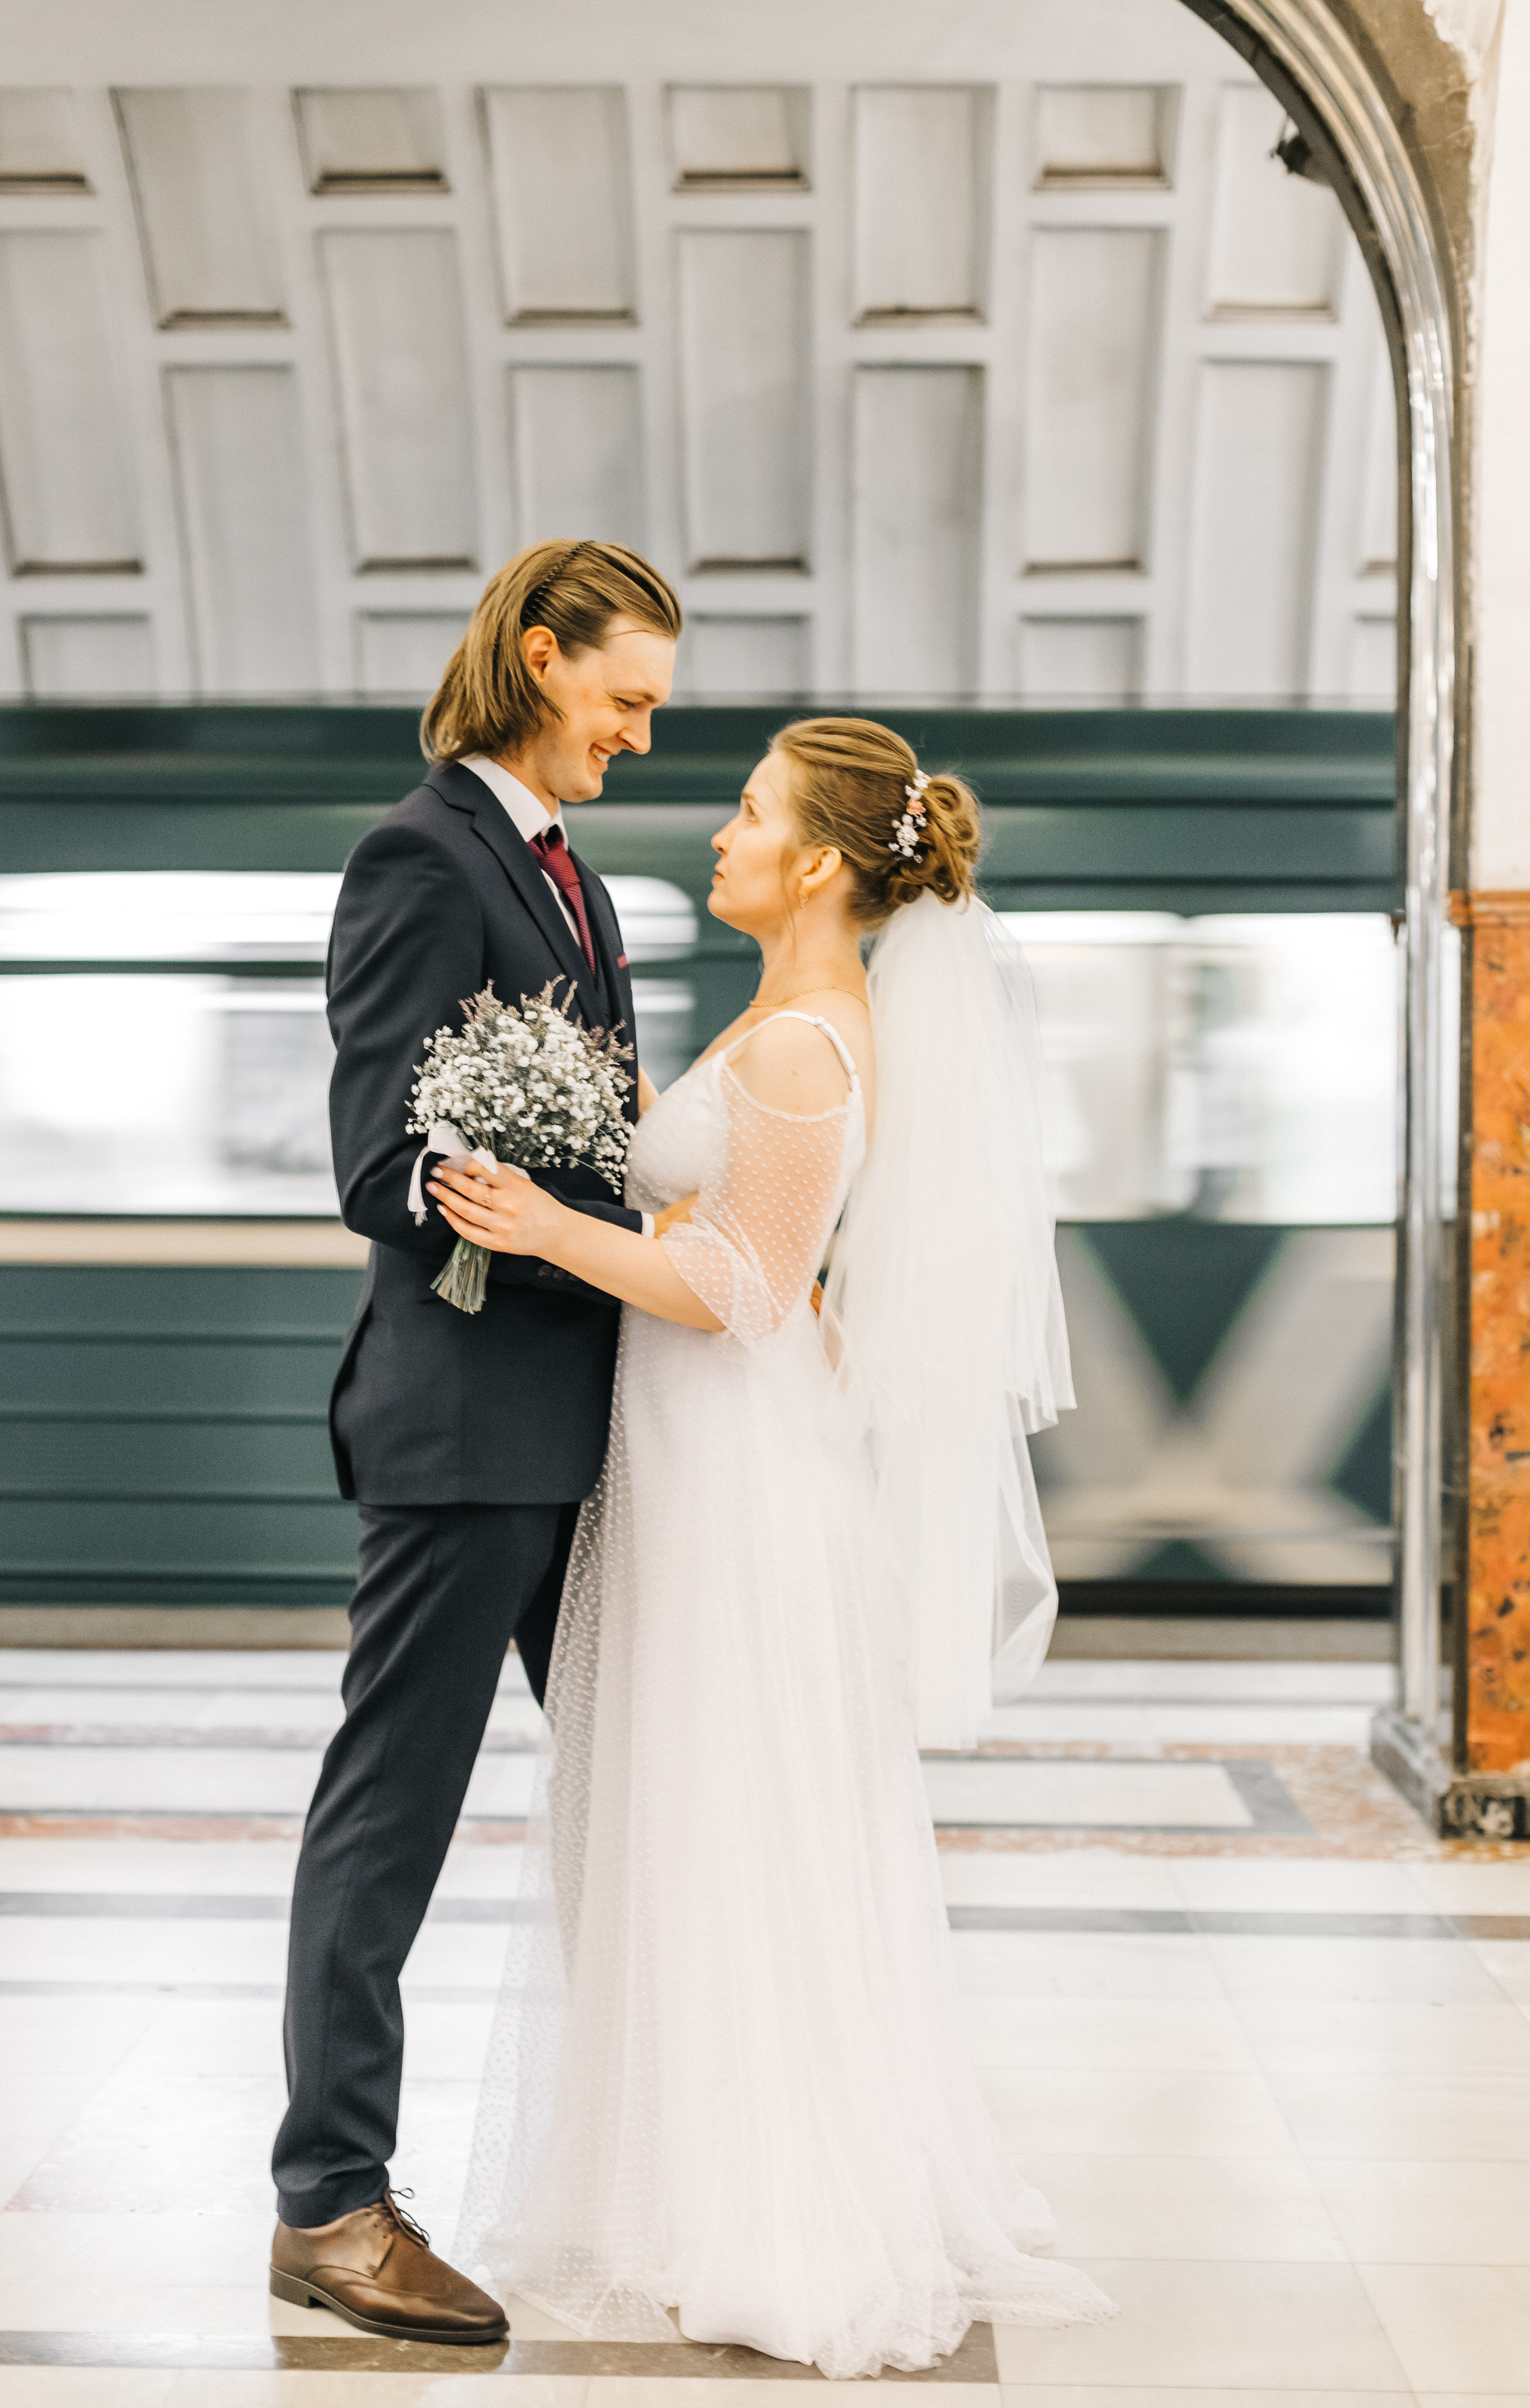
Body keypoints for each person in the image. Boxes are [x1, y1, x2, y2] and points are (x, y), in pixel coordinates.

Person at [434, 717, 1118, 2377]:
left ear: (817, 861)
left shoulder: (809, 1042)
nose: (721, 833)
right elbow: (750, 1241)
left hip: (737, 1472)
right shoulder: (784, 1018)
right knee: (698, 1811)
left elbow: (741, 1289)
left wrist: (549, 1226)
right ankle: (700, 2176)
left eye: (748, 813)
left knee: (728, 1816)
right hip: (701, 1454)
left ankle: (768, 2216)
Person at [269, 540, 681, 2345]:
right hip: (463, 1431)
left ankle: (670, 2160)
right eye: (624, 696)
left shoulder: (572, 882)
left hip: (587, 1421)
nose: (641, 734)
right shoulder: (420, 857)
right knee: (393, 1819)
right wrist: (490, 1179)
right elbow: (377, 1160)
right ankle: (332, 2203)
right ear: (535, 655)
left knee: (646, 1800)